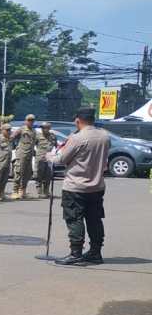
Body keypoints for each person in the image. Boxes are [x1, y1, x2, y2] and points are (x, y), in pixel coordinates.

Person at [46, 108, 110, 265]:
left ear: (77, 120)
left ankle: (76, 253)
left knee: (74, 219)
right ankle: (95, 252)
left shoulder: (78, 138)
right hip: (97, 186)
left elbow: (61, 159)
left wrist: (49, 156)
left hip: (76, 186)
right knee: (95, 220)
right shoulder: (104, 135)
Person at [11, 114, 37, 199]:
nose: (31, 122)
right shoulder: (21, 129)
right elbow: (12, 137)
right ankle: (15, 190)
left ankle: (22, 190)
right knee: (19, 172)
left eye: (32, 120)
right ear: (26, 121)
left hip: (29, 154)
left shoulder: (34, 131)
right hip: (22, 153)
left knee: (27, 173)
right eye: (29, 120)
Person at [35, 122, 57, 197]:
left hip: (49, 158)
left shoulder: (53, 136)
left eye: (45, 127)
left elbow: (56, 146)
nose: (43, 129)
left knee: (48, 174)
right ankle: (39, 191)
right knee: (39, 174)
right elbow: (33, 145)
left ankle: (46, 191)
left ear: (49, 128)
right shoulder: (38, 136)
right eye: (42, 128)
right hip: (40, 157)